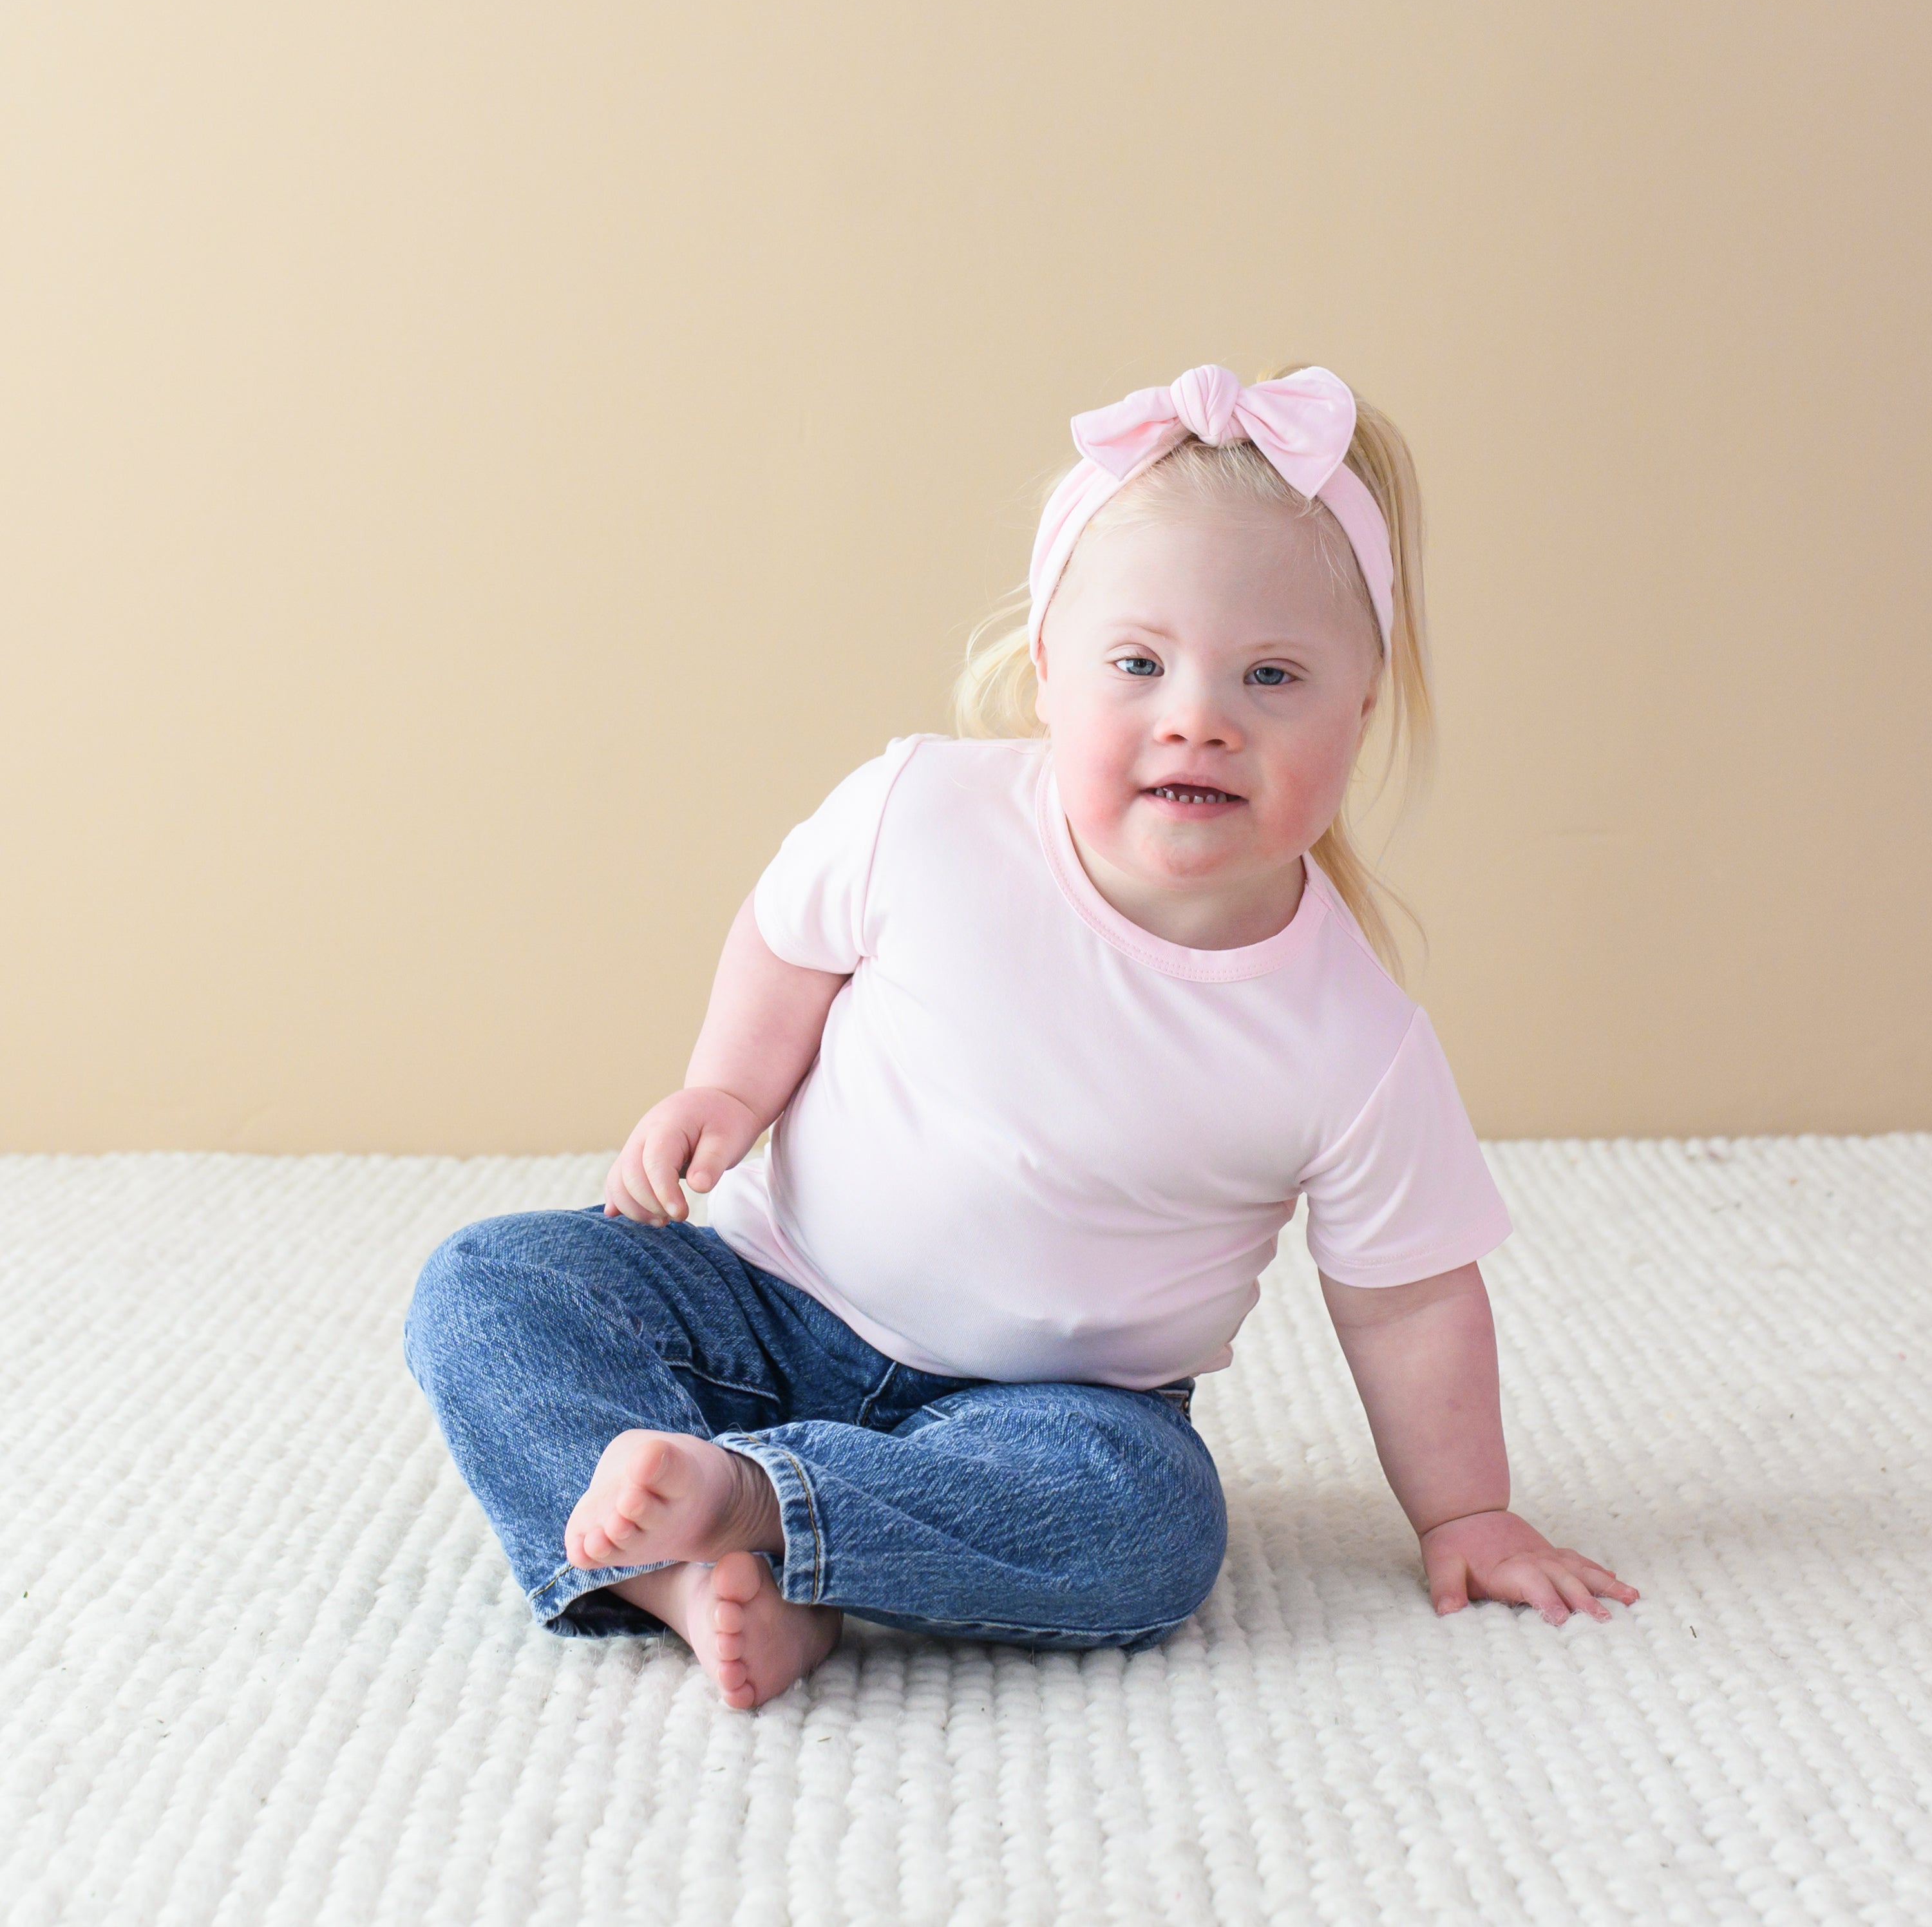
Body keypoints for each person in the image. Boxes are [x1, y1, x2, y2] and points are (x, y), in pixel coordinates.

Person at [405, 362, 1638, 1710]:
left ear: (1362, 705)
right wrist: (727, 1083)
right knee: (492, 1285)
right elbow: (789, 936)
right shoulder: (924, 815)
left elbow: (1408, 1303)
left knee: (1153, 1525)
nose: (1199, 716)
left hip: (1044, 1415)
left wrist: (1467, 1516)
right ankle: (694, 1570)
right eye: (1138, 663)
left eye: (1272, 675)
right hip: (766, 1309)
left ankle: (762, 1504)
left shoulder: (1351, 1037)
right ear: (1049, 668)